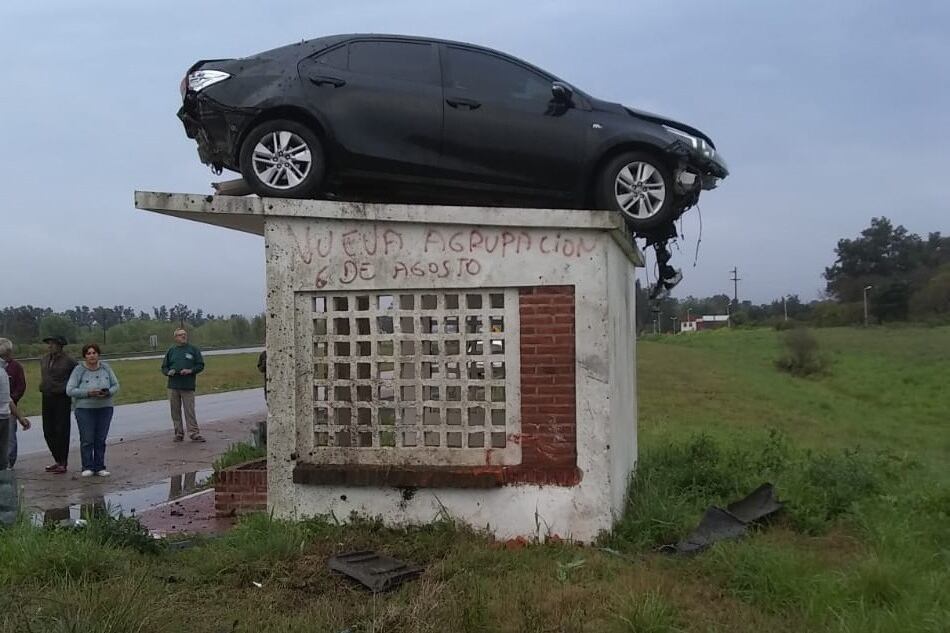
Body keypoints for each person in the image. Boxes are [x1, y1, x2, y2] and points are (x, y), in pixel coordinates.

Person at [66, 343, 119, 477]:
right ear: (85, 356)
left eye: (94, 353)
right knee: (87, 439)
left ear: (98, 354)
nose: (92, 356)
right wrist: (89, 393)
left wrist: (108, 392)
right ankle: (87, 466)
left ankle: (100, 466)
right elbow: (70, 390)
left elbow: (116, 385)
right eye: (88, 353)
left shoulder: (106, 367)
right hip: (85, 409)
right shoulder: (78, 370)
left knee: (100, 439)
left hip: (105, 407)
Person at [39, 335, 77, 474]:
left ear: (60, 345)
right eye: (49, 343)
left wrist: (69, 389)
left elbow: (77, 376)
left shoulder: (69, 361)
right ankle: (57, 460)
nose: (49, 346)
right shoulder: (44, 359)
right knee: (48, 430)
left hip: (61, 398)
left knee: (62, 430)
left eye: (52, 344)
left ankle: (63, 462)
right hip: (47, 396)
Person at [161, 328, 206, 442]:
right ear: (176, 337)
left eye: (185, 334)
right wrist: (168, 372)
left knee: (189, 410)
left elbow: (200, 365)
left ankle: (194, 433)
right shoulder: (171, 351)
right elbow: (164, 367)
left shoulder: (193, 349)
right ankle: (178, 433)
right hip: (173, 385)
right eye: (181, 335)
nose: (183, 336)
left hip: (187, 385)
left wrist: (190, 370)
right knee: (175, 411)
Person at [0, 338, 28, 468]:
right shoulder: (2, 373)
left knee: (8, 442)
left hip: (5, 413)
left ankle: (7, 466)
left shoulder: (8, 370)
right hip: (4, 414)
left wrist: (19, 416)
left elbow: (9, 398)